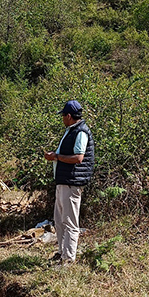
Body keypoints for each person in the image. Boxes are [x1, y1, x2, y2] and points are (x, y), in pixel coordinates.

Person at [43, 100, 95, 265]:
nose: (62, 119)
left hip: (72, 182)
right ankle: (61, 252)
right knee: (59, 220)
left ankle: (68, 259)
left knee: (70, 222)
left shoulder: (81, 132)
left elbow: (79, 158)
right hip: (64, 181)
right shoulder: (72, 130)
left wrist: (56, 157)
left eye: (63, 116)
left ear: (69, 116)